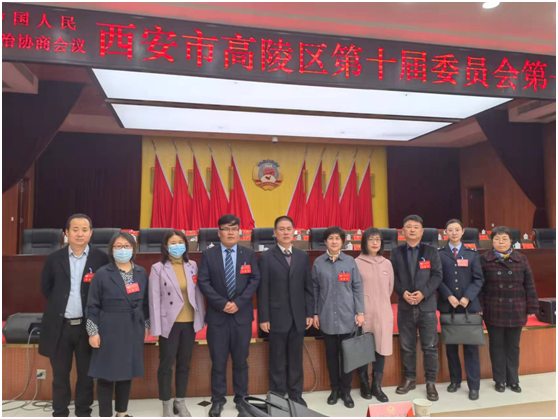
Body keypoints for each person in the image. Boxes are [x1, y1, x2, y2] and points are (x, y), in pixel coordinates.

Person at [38, 214, 109, 417]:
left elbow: (105, 291)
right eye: (75, 229)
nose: (80, 234)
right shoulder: (54, 259)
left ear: (91, 233)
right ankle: (60, 412)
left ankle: (83, 412)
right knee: (60, 375)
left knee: (86, 375)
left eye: (84, 230)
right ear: (67, 233)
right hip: (60, 327)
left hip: (88, 327)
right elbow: (46, 288)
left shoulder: (101, 259)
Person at [197, 214, 261, 417]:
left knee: (241, 361)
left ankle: (242, 399)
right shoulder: (209, 255)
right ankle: (217, 400)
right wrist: (222, 304)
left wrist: (239, 303)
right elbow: (203, 282)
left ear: (239, 232)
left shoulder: (248, 253)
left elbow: (254, 279)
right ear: (219, 233)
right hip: (218, 317)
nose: (230, 232)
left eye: (234, 229)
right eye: (226, 229)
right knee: (218, 361)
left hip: (242, 317)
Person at [86, 232, 150, 417]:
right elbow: (92, 305)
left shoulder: (141, 272)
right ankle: (105, 415)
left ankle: (121, 413)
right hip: (109, 329)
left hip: (133, 328)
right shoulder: (102, 273)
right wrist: (93, 332)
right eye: (118, 246)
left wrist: (146, 325)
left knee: (126, 374)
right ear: (111, 250)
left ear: (134, 249)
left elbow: (145, 303)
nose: (123, 250)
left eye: (127, 246)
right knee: (106, 376)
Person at [257, 216, 314, 406]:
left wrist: (309, 313)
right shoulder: (266, 257)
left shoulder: (302, 256)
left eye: (289, 228)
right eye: (281, 229)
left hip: (298, 317)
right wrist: (264, 317)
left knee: (296, 359)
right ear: (275, 233)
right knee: (277, 360)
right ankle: (278, 397)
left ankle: (296, 395)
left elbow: (308, 287)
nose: (286, 232)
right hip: (276, 317)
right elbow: (262, 289)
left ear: (294, 232)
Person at [149, 230, 206, 417]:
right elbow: (154, 299)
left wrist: (201, 318)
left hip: (189, 323)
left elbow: (197, 294)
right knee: (166, 365)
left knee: (184, 364)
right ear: (166, 247)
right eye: (173, 243)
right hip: (169, 324)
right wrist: (156, 327)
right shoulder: (158, 268)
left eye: (180, 242)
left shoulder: (192, 265)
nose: (177, 246)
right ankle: (166, 403)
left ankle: (180, 401)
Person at [480, 226, 539, 394]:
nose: (501, 242)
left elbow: (529, 284)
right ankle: (499, 380)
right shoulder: (484, 259)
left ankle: (513, 379)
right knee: (496, 345)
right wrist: (480, 307)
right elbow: (479, 285)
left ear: (511, 241)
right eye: (497, 239)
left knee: (513, 346)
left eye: (504, 239)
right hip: (494, 308)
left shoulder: (521, 258)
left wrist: (532, 306)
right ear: (491, 241)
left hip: (516, 308)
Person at [391, 215, 443, 402]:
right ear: (402, 231)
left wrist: (423, 293)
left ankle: (430, 382)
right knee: (407, 346)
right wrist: (403, 292)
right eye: (408, 227)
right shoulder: (396, 252)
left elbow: (437, 275)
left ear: (422, 231)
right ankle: (410, 379)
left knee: (430, 346)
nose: (412, 230)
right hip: (405, 305)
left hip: (426, 306)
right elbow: (392, 277)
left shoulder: (431, 251)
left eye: (416, 227)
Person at [312, 226, 364, 409]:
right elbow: (314, 290)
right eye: (331, 238)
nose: (334, 241)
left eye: (337, 238)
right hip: (326, 316)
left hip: (347, 316)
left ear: (343, 242)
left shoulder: (350, 262)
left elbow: (357, 287)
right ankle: (334, 389)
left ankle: (346, 391)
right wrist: (315, 313)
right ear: (325, 241)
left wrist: (360, 312)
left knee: (347, 356)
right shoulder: (318, 263)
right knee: (332, 356)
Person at [438, 219, 484, 401]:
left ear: (463, 232)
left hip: (468, 307)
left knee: (471, 348)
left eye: (457, 230)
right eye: (450, 230)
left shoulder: (472, 253)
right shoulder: (440, 254)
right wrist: (448, 295)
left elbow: (478, 279)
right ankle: (455, 380)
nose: (454, 233)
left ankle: (474, 386)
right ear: (445, 233)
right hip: (448, 305)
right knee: (451, 347)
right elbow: (437, 278)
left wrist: (467, 297)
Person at [355, 228, 394, 403]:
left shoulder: (387, 263)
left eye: (377, 239)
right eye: (371, 239)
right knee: (364, 349)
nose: (375, 243)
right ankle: (364, 383)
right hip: (363, 313)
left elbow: (390, 288)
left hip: (383, 312)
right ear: (364, 242)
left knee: (381, 348)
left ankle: (376, 385)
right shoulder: (356, 262)